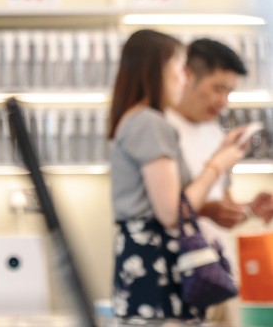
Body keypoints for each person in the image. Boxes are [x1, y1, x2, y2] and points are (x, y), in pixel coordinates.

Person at [108, 29, 248, 321]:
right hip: (158, 266)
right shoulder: (150, 123)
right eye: (178, 70)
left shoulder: (137, 120)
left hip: (150, 264)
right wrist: (217, 165)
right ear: (158, 71)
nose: (183, 80)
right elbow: (172, 211)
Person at [165, 38, 273, 326]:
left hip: (219, 272)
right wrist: (208, 208)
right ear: (187, 76)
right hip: (177, 275)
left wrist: (248, 209)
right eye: (217, 88)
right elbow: (162, 208)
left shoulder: (215, 133)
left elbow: (220, 206)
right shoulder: (161, 130)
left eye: (229, 92)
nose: (222, 101)